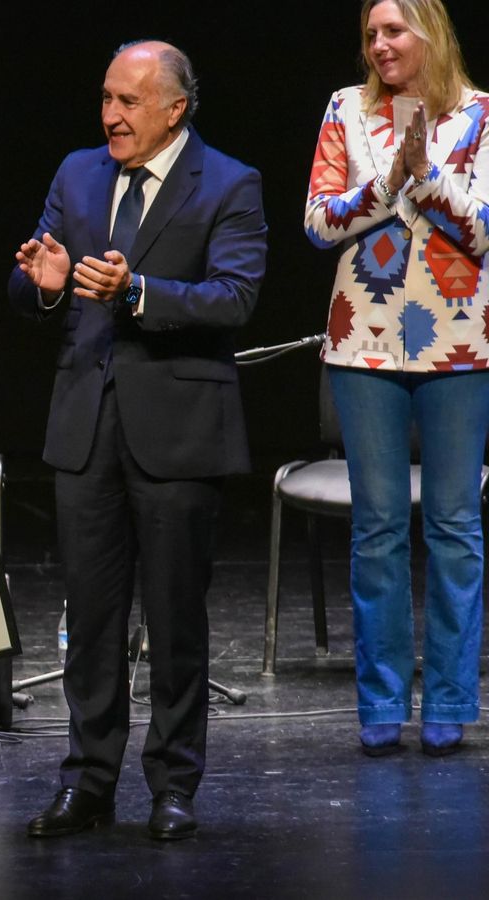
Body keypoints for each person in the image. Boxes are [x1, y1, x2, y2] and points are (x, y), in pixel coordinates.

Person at [7, 41, 267, 841]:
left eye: (128, 102)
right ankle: (87, 782)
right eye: (106, 99)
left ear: (174, 109)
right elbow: (33, 282)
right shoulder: (78, 172)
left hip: (179, 430)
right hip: (86, 424)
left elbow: (235, 298)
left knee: (176, 615)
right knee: (89, 618)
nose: (110, 115)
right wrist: (41, 286)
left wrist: (141, 292)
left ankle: (173, 786)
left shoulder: (229, 182)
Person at [305, 0, 489, 758]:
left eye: (392, 31)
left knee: (453, 529)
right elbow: (318, 221)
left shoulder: (480, 116)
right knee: (378, 531)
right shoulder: (346, 109)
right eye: (370, 35)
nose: (378, 45)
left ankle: (448, 697)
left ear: (429, 35)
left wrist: (430, 175)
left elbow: (482, 229)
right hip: (363, 342)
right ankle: (381, 700)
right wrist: (388, 184)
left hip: (459, 343)